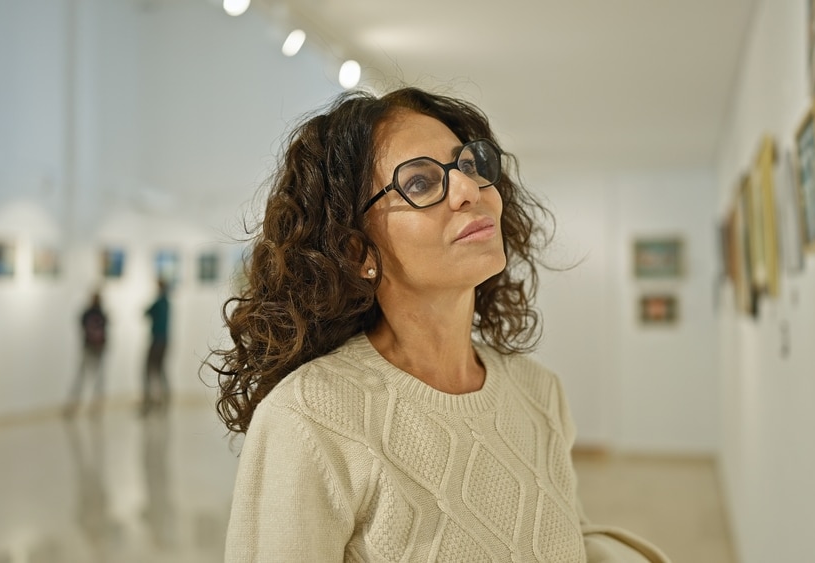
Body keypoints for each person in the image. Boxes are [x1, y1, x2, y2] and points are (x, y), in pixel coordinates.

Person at [211, 87, 671, 561]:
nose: (470, 190)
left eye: (468, 166)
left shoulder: (539, 393)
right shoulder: (309, 416)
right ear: (358, 252)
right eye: (418, 184)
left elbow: (564, 537)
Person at [64, 291, 107, 417]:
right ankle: (76, 405)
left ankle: (95, 406)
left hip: (95, 349)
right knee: (83, 377)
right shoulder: (95, 313)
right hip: (90, 348)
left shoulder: (97, 313)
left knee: (94, 378)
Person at [142, 279, 171, 415]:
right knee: (160, 370)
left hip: (157, 340)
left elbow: (146, 313)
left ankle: (149, 401)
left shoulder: (159, 302)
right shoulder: (167, 303)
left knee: (148, 370)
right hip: (164, 340)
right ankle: (165, 399)